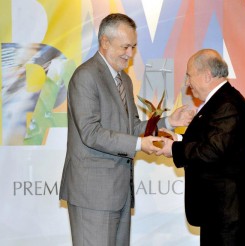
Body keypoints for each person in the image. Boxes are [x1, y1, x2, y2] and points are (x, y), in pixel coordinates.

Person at [59, 13, 193, 246]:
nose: (130, 54)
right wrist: (140, 144)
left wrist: (169, 122)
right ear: (104, 42)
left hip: (118, 193)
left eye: (133, 47)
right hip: (93, 195)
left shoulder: (124, 80)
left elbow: (131, 127)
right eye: (125, 46)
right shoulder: (85, 77)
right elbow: (91, 133)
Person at [157, 49, 245, 245]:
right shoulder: (219, 101)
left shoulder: (227, 104)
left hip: (230, 214)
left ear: (207, 75)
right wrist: (178, 140)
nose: (187, 83)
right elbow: (211, 142)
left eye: (189, 75)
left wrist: (174, 149)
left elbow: (212, 151)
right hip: (219, 211)